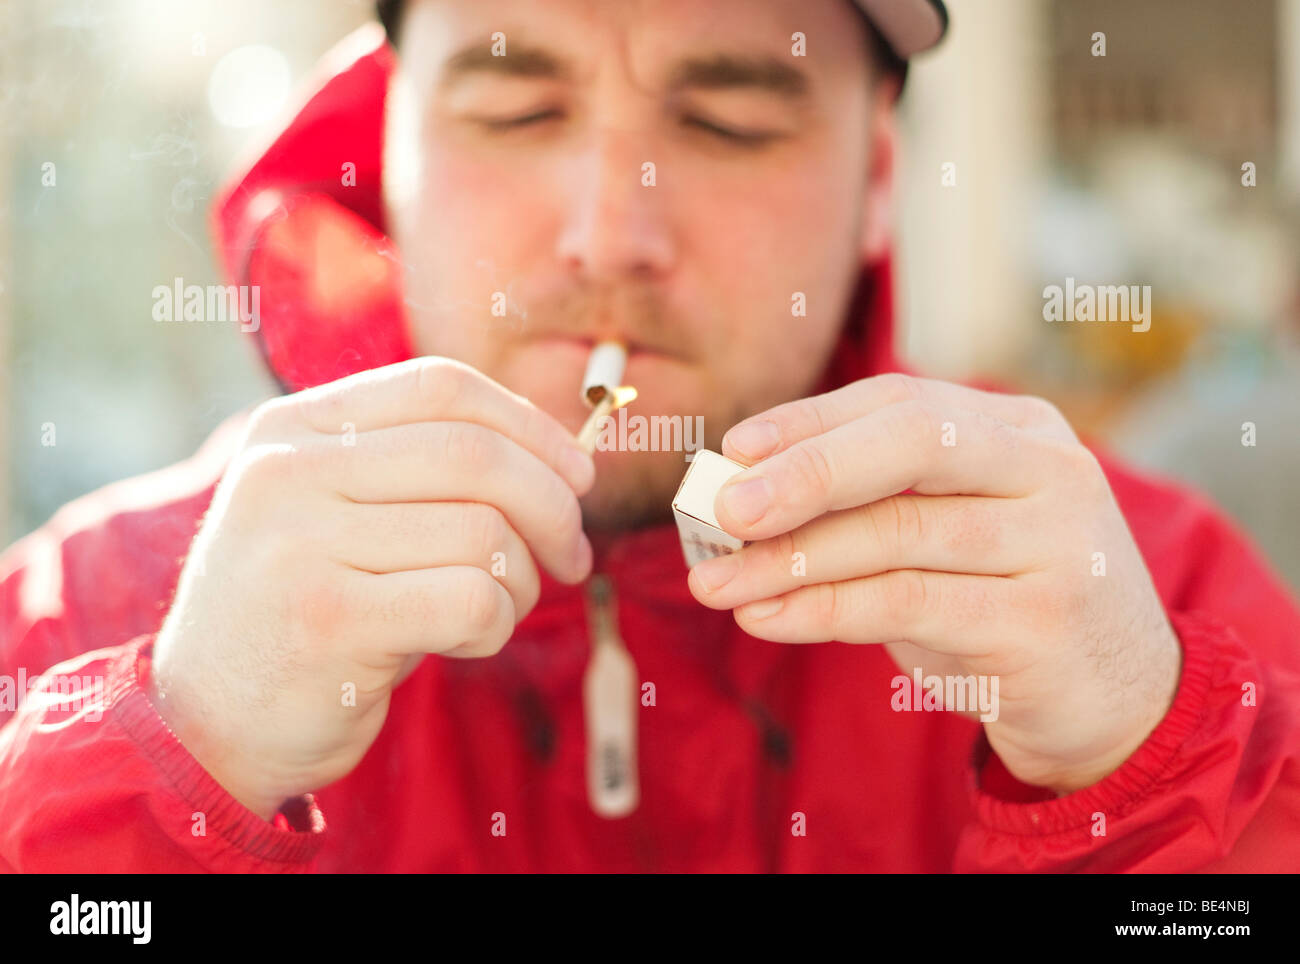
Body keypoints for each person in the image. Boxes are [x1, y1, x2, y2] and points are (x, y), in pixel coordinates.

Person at [2, 0, 1297, 872]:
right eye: (516, 110)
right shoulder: (85, 623)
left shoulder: (1155, 601)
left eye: (727, 120)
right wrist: (167, 766)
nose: (612, 231)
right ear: (387, 149)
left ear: (880, 184)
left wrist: (1148, 771)